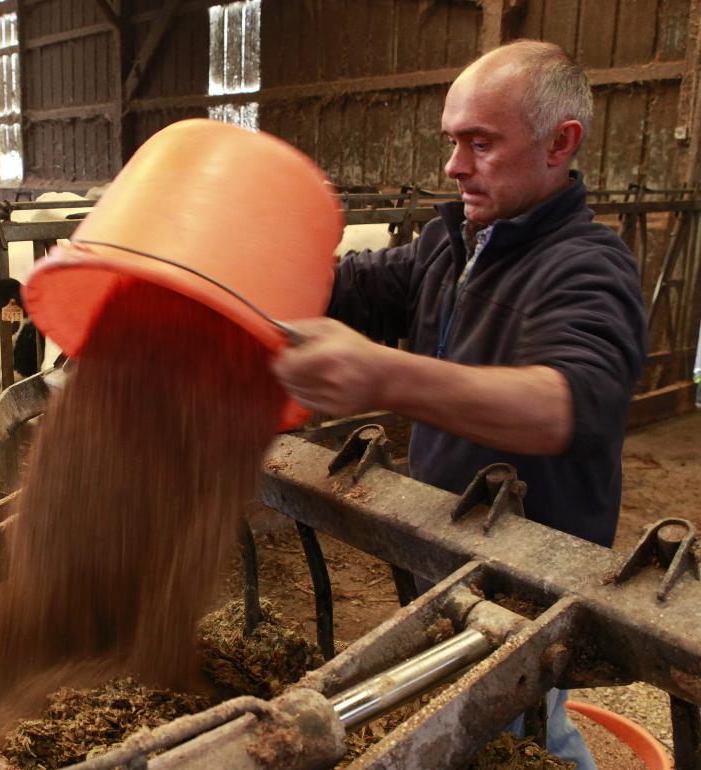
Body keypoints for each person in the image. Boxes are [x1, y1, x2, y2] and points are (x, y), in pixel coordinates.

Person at [272, 40, 647, 769]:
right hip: (448, 556)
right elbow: (351, 287)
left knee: (516, 733)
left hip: (525, 587)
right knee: (511, 728)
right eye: (453, 141)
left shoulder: (588, 266)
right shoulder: (453, 244)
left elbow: (567, 404)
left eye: (480, 143)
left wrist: (385, 377)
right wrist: (242, 264)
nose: (454, 165)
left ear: (559, 143)